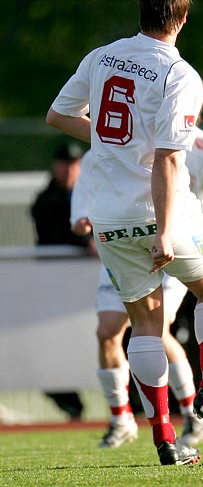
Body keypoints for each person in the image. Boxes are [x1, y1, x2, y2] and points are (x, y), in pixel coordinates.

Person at [46, 0, 203, 466]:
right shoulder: (180, 75)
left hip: (110, 219)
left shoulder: (102, 57)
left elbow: (57, 115)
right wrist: (161, 230)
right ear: (182, 17)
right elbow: (169, 158)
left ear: (141, 9)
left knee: (145, 325)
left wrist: (109, 141)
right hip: (164, 215)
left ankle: (162, 437)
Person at [30, 142, 90, 420]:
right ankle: (70, 403)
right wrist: (86, 241)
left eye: (75, 164)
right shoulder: (45, 201)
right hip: (59, 292)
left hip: (93, 289)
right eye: (65, 163)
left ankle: (135, 402)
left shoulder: (92, 193)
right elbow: (54, 234)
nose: (70, 170)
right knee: (52, 350)